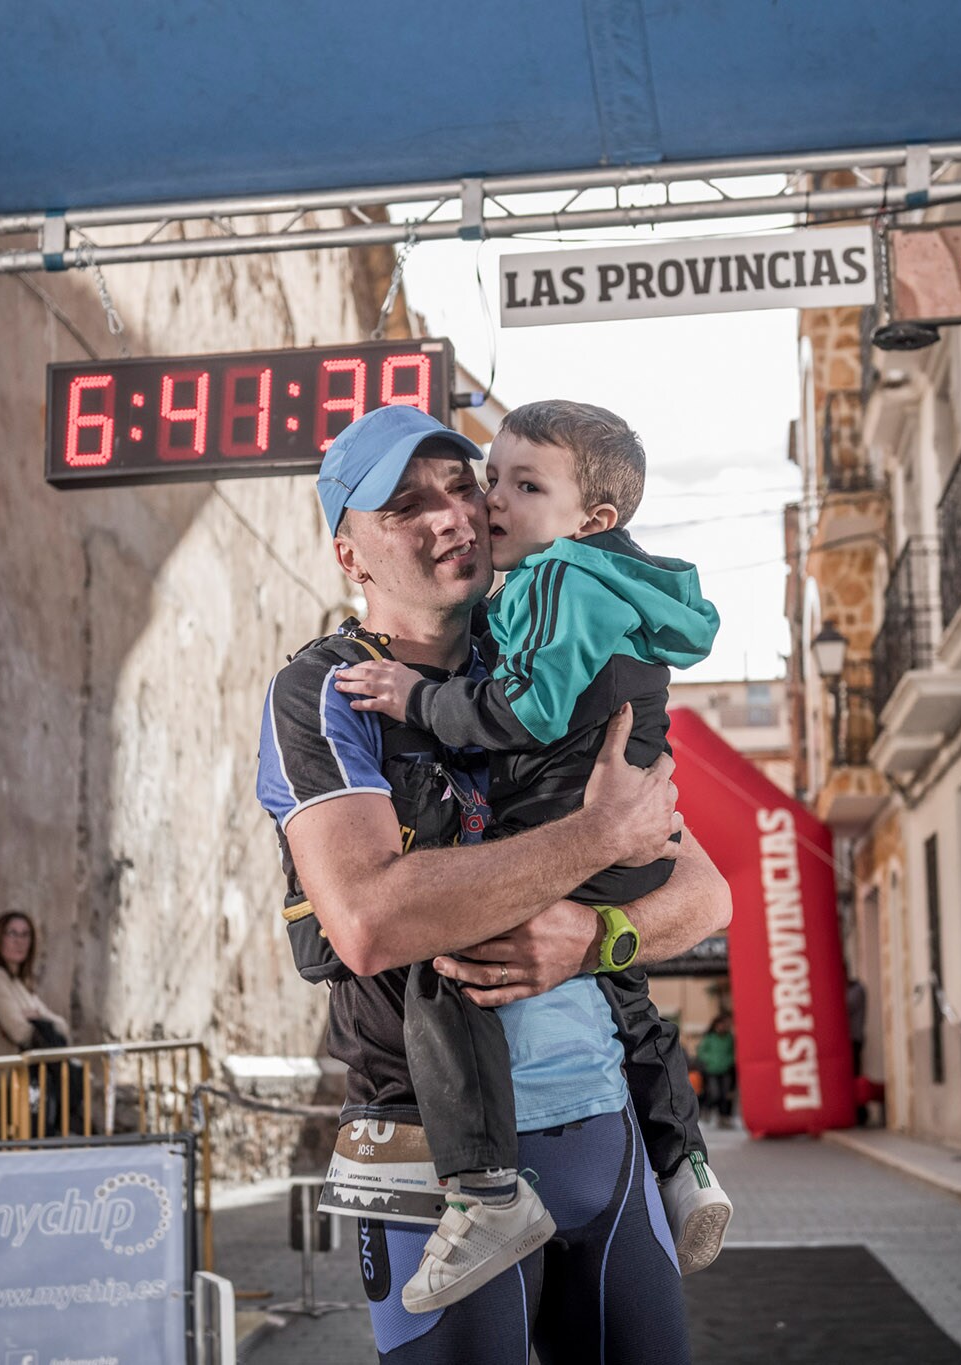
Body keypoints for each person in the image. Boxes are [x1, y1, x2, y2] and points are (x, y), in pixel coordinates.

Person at [255, 403, 730, 1363]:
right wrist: (597, 834)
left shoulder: (547, 648)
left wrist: (597, 938)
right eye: (405, 506)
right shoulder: (325, 693)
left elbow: (705, 896)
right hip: (437, 1170)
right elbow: (371, 920)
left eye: (463, 484)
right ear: (351, 555)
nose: (455, 515)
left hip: (609, 1141)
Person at [0, 911, 67, 1056]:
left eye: (25, 935)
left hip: (29, 1075)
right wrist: (36, 1021)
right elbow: (20, 1032)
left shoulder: (21, 983)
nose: (19, 941)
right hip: (3, 1075)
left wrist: (36, 1017)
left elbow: (63, 1027)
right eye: (12, 934)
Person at [696, 1014, 736, 1129]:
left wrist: (729, 1061)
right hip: (712, 1070)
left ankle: (723, 1117)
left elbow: (732, 1052)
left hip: (725, 1070)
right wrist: (710, 1060)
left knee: (725, 1095)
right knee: (715, 1094)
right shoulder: (709, 1038)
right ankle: (707, 1110)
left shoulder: (729, 1038)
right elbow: (701, 1051)